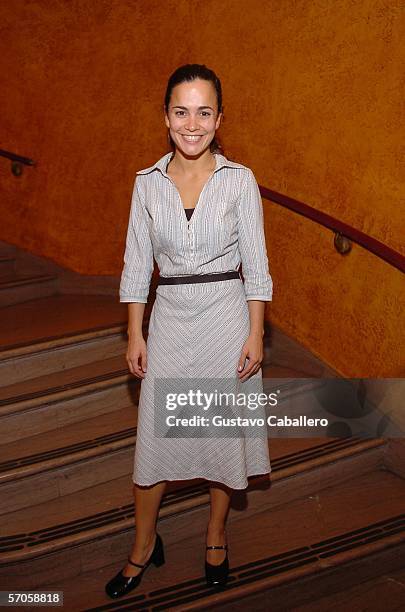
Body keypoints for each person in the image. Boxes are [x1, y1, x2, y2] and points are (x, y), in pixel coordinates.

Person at [105, 63, 273, 599]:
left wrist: (255, 334)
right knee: (155, 443)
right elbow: (135, 264)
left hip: (227, 317)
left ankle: (216, 536)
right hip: (171, 317)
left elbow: (257, 263)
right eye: (182, 111)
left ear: (219, 118)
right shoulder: (146, 185)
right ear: (166, 117)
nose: (192, 124)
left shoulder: (240, 180)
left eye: (204, 112)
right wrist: (135, 333)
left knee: (221, 437)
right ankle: (143, 545)